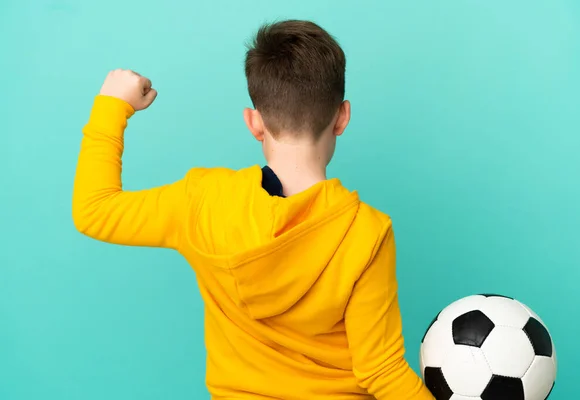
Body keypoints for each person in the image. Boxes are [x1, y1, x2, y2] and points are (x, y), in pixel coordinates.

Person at [72, 20, 434, 400]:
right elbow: (382, 370)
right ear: (342, 117)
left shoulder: (202, 201)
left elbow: (93, 209)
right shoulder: (366, 232)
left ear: (254, 122)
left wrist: (112, 105)